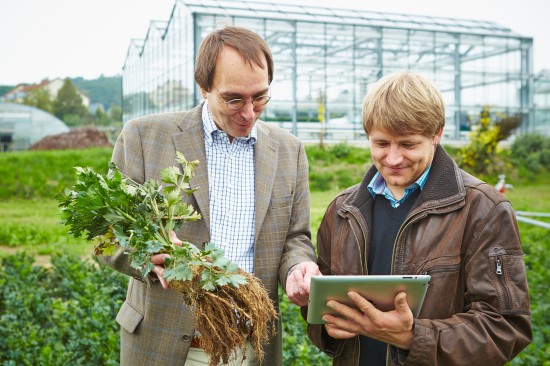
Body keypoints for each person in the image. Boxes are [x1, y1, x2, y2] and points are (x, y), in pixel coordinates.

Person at [99, 25, 319, 366]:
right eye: (234, 99)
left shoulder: (289, 151)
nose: (249, 113)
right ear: (204, 87)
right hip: (165, 346)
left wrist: (298, 267)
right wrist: (147, 253)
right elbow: (108, 233)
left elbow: (295, 237)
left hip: (250, 348)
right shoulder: (145, 138)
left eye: (260, 97)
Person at [304, 71, 532, 365]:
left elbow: (506, 327)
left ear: (436, 134)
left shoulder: (484, 210)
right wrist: (326, 324)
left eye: (408, 144)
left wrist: (413, 336)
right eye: (381, 144)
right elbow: (319, 308)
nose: (394, 158)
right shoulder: (343, 209)